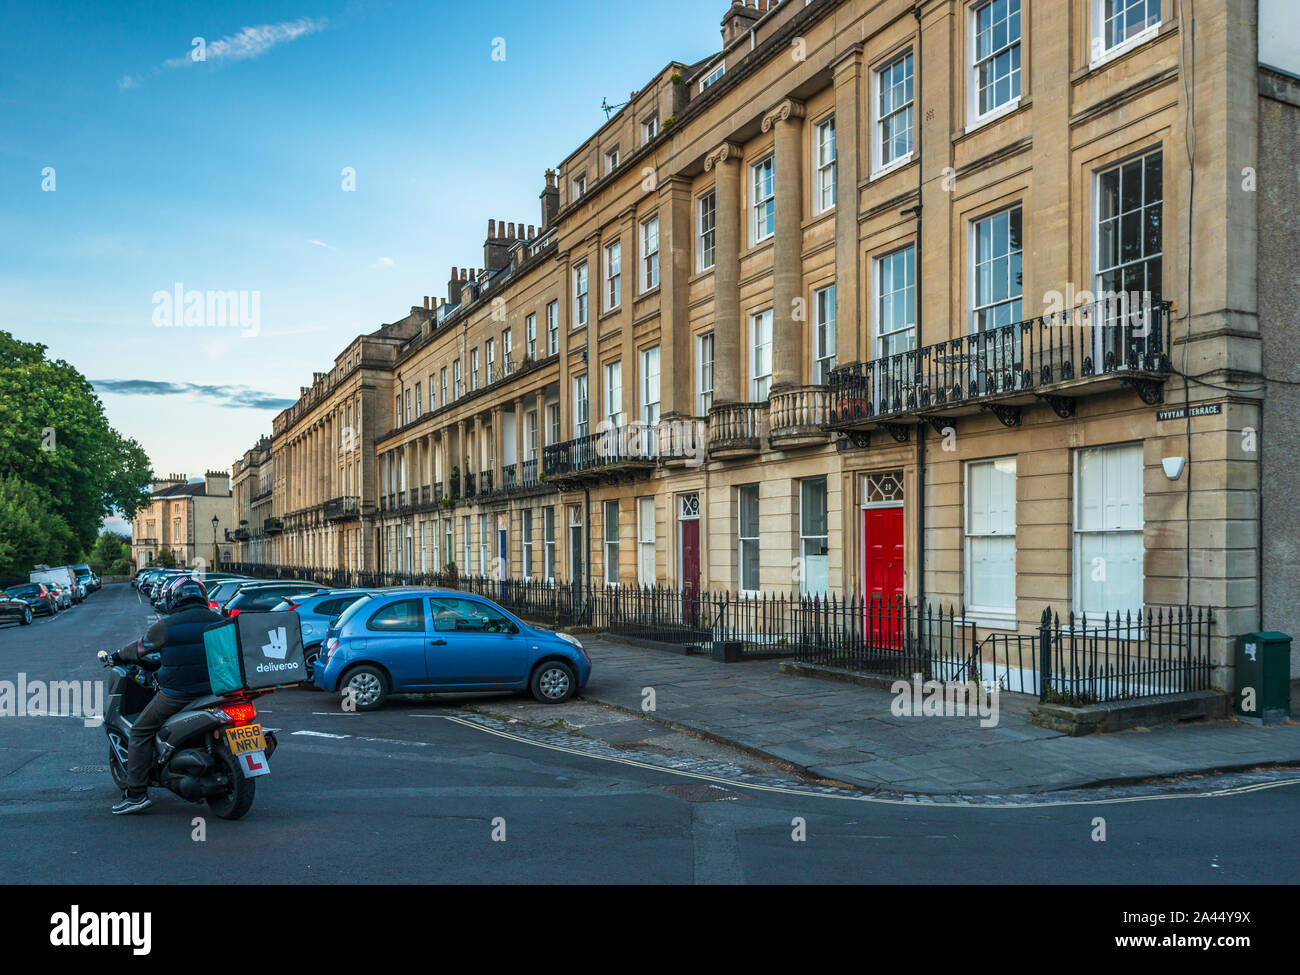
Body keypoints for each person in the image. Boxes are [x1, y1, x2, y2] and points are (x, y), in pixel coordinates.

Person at [111, 576, 219, 815]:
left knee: (140, 731)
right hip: (217, 691)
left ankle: (136, 793)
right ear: (203, 597)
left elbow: (138, 649)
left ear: (173, 600)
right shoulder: (219, 620)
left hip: (178, 693)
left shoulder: (166, 626)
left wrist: (117, 656)